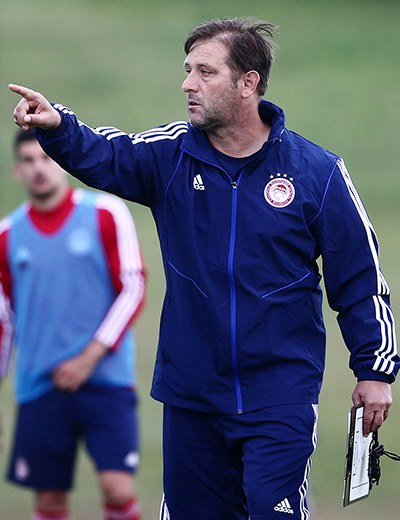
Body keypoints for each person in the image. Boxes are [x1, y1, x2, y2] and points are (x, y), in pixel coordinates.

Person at [8, 17, 398, 520]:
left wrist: (374, 371)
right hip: (191, 393)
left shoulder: (316, 173)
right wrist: (58, 126)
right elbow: (107, 155)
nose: (188, 84)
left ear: (248, 83)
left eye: (205, 72)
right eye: (188, 70)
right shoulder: (170, 154)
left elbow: (361, 280)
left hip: (279, 394)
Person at [0, 128, 146, 520]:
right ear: (17, 171)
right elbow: (4, 320)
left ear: (61, 163)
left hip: (106, 379)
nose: (38, 169)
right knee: (49, 501)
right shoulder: (7, 235)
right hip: (40, 383)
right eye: (28, 161)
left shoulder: (105, 213)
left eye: (45, 158)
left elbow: (133, 288)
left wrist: (89, 356)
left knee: (118, 489)